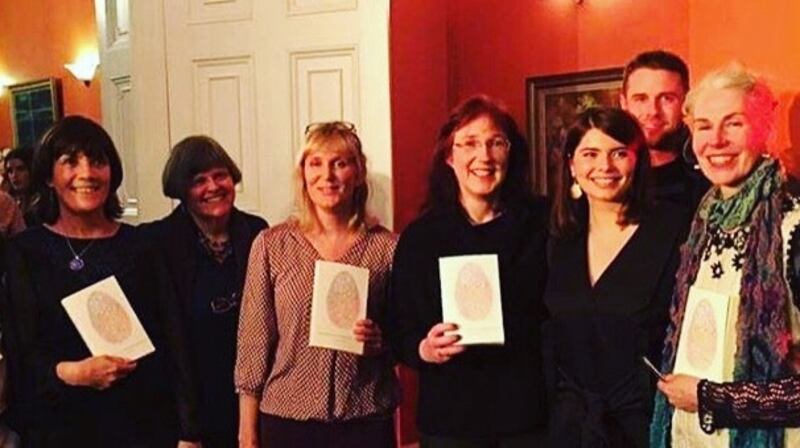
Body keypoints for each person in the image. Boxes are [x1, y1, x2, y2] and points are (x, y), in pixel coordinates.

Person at [1, 116, 200, 447]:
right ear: (49, 176)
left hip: (144, 425)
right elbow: (22, 352)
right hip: (60, 428)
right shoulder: (25, 253)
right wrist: (73, 372)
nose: (87, 173)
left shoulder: (144, 246)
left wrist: (189, 433)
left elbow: (175, 342)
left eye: (97, 161)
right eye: (70, 162)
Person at [386, 95, 549, 447]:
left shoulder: (543, 223)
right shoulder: (421, 237)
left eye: (496, 143)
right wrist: (425, 349)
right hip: (450, 419)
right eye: (469, 143)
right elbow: (399, 326)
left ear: (511, 153)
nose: (484, 157)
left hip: (528, 415)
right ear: (449, 156)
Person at [651, 64, 800, 447]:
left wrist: (712, 399)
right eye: (703, 125)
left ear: (764, 129)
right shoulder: (703, 219)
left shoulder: (792, 223)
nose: (715, 140)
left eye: (733, 123)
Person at [235, 121, 398, 448]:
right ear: (303, 174)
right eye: (316, 163)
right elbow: (254, 342)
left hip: (365, 419)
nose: (328, 175)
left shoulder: (388, 249)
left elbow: (406, 332)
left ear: (359, 172)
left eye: (340, 163)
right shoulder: (271, 245)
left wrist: (382, 340)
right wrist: (247, 433)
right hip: (287, 423)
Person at [545, 107, 688, 447]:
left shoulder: (675, 229)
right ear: (571, 166)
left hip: (645, 424)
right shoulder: (559, 237)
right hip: (570, 426)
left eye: (619, 153)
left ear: (637, 161)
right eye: (590, 154)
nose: (604, 167)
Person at [141, 135, 267, 447]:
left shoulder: (257, 232)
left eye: (220, 175)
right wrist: (186, 428)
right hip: (189, 401)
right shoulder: (157, 242)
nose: (213, 187)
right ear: (181, 190)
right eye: (199, 180)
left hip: (253, 397)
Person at [620, 50, 709, 210]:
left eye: (667, 99)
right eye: (641, 99)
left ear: (686, 102)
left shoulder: (707, 185)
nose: (653, 111)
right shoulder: (602, 180)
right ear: (624, 103)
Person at [3, 147, 37, 226]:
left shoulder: (43, 203)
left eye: (20, 169)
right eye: (10, 171)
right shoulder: (10, 203)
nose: (14, 175)